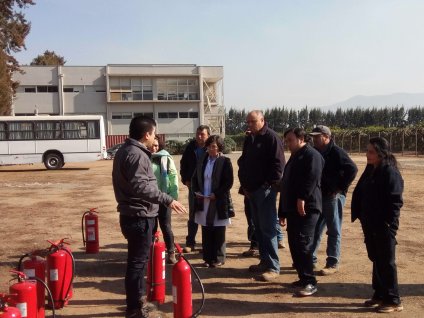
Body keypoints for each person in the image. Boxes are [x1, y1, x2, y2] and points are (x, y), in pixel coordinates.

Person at [112, 115, 186, 318]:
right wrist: (167, 199)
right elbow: (140, 186)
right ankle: (135, 309)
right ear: (147, 134)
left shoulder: (124, 151)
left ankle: (135, 304)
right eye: (154, 133)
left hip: (132, 215)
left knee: (135, 262)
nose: (155, 137)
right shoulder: (136, 154)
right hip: (139, 216)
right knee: (137, 264)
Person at [351, 137, 404, 313]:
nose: (367, 154)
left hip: (383, 226)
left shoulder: (390, 172)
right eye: (367, 151)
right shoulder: (371, 169)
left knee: (386, 262)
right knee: (376, 259)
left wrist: (390, 225)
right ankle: (380, 294)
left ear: (381, 154)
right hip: (370, 224)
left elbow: (395, 201)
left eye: (371, 152)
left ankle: (393, 300)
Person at [237, 110, 285, 282]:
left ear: (262, 120)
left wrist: (268, 185)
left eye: (253, 121)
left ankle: (273, 266)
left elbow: (278, 165)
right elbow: (243, 161)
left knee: (268, 228)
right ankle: (264, 261)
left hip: (264, 191)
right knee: (258, 228)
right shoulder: (250, 138)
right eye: (248, 122)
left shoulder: (271, 138)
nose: (249, 124)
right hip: (250, 191)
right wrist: (245, 185)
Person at [278, 128, 324, 297]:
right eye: (286, 140)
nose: (287, 143)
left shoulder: (312, 155)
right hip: (292, 209)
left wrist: (302, 198)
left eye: (290, 140)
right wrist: (282, 211)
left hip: (308, 208)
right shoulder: (294, 157)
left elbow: (312, 178)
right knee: (294, 243)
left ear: (301, 138)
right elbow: (286, 185)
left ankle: (310, 282)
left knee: (303, 244)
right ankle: (302, 277)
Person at [310, 125, 358, 275]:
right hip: (320, 195)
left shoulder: (337, 152)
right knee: (316, 227)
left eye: (317, 136)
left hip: (332, 196)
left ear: (326, 136)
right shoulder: (316, 151)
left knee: (333, 228)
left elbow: (352, 169)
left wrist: (340, 188)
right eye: (314, 136)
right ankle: (310, 259)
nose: (314, 139)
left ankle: (332, 261)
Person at [192, 135, 234, 267]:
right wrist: (197, 191)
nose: (211, 149)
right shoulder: (202, 161)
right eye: (209, 146)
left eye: (214, 146)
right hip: (204, 199)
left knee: (218, 230)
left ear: (219, 147)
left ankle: (219, 258)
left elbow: (228, 182)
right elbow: (195, 178)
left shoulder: (225, 161)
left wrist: (216, 194)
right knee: (206, 229)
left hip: (218, 201)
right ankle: (208, 258)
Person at [180, 125, 211, 253]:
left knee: (208, 215)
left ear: (208, 135)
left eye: (202, 134)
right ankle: (190, 243)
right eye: (197, 134)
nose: (199, 136)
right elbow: (183, 164)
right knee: (193, 215)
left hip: (208, 187)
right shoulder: (190, 147)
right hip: (193, 187)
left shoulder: (211, 147)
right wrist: (185, 179)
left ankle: (207, 245)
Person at [149, 137, 179, 264]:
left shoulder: (166, 158)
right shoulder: (144, 158)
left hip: (164, 197)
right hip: (149, 198)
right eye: (152, 145)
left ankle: (171, 252)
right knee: (151, 227)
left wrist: (173, 196)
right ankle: (151, 252)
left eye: (156, 145)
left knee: (166, 226)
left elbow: (173, 176)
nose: (154, 148)